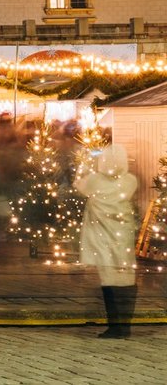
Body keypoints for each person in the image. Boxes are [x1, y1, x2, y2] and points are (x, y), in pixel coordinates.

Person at [77, 144, 139, 339]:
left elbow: (79, 184)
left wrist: (84, 164)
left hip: (103, 237)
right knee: (126, 276)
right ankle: (124, 325)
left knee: (108, 278)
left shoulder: (95, 181)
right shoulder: (130, 181)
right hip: (122, 234)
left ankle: (115, 326)